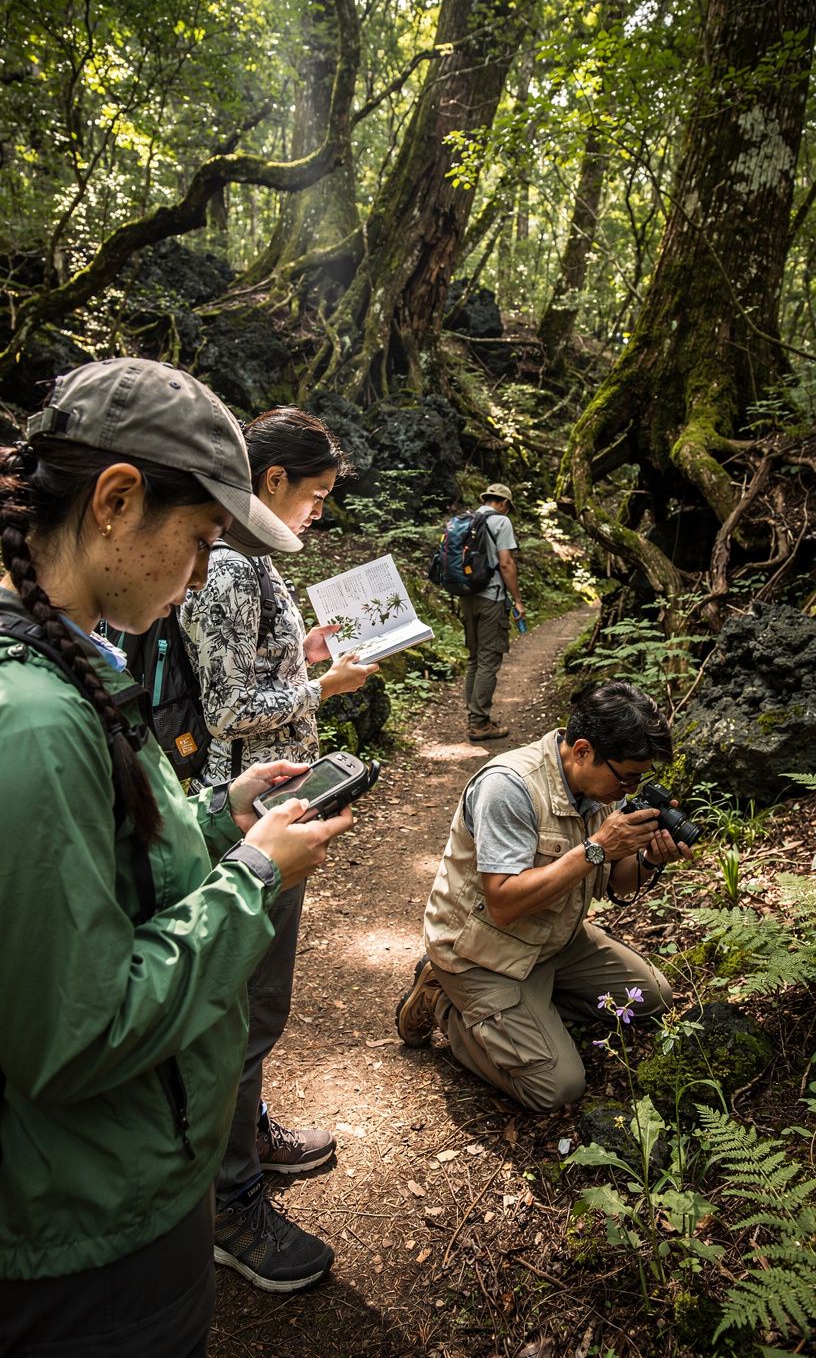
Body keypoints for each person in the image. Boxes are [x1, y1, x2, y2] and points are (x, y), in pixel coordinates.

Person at [0, 358, 353, 1358]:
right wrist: (249, 881)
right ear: (116, 501)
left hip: (105, 1183)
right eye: (198, 541)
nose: (201, 575)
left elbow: (99, 874)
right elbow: (75, 1031)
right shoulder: (29, 719)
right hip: (84, 1229)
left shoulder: (64, 664)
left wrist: (214, 810)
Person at [179, 407, 378, 1293]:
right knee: (247, 1007)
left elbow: (248, 669)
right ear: (271, 483)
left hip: (272, 794)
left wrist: (296, 655)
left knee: (261, 1003)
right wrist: (319, 683)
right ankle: (229, 1203)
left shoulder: (255, 564)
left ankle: (247, 1134)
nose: (319, 515)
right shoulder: (226, 566)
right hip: (242, 809)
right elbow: (225, 706)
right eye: (318, 497)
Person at [395, 681, 690, 1112]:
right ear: (584, 750)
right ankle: (443, 1000)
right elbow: (504, 902)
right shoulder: (510, 788)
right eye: (626, 776)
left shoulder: (596, 788)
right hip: (483, 953)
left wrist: (647, 858)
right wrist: (597, 848)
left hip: (555, 940)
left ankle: (530, 1010)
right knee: (557, 1088)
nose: (629, 790)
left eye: (639, 779)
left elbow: (617, 882)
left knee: (651, 999)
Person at [462, 483, 525, 744]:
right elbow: (506, 563)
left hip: (467, 598)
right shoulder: (501, 522)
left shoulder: (466, 519)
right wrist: (518, 601)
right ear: (504, 503)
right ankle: (479, 724)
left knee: (475, 659)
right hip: (491, 599)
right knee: (488, 660)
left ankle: (474, 717)